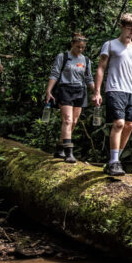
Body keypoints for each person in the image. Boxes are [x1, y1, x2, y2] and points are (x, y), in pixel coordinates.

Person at [94, 13, 132, 176]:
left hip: (131, 91)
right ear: (122, 27)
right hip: (114, 88)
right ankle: (114, 162)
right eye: (129, 28)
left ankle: (115, 159)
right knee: (118, 123)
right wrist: (97, 91)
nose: (131, 32)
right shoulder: (110, 45)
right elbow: (101, 68)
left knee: (129, 125)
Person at [44, 32, 96, 164]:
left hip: (80, 90)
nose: (80, 50)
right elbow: (55, 73)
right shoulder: (63, 57)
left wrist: (96, 92)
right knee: (67, 120)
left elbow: (89, 78)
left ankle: (60, 147)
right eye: (78, 47)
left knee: (73, 122)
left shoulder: (86, 60)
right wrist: (49, 90)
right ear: (72, 44)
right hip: (65, 89)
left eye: (82, 47)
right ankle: (69, 152)